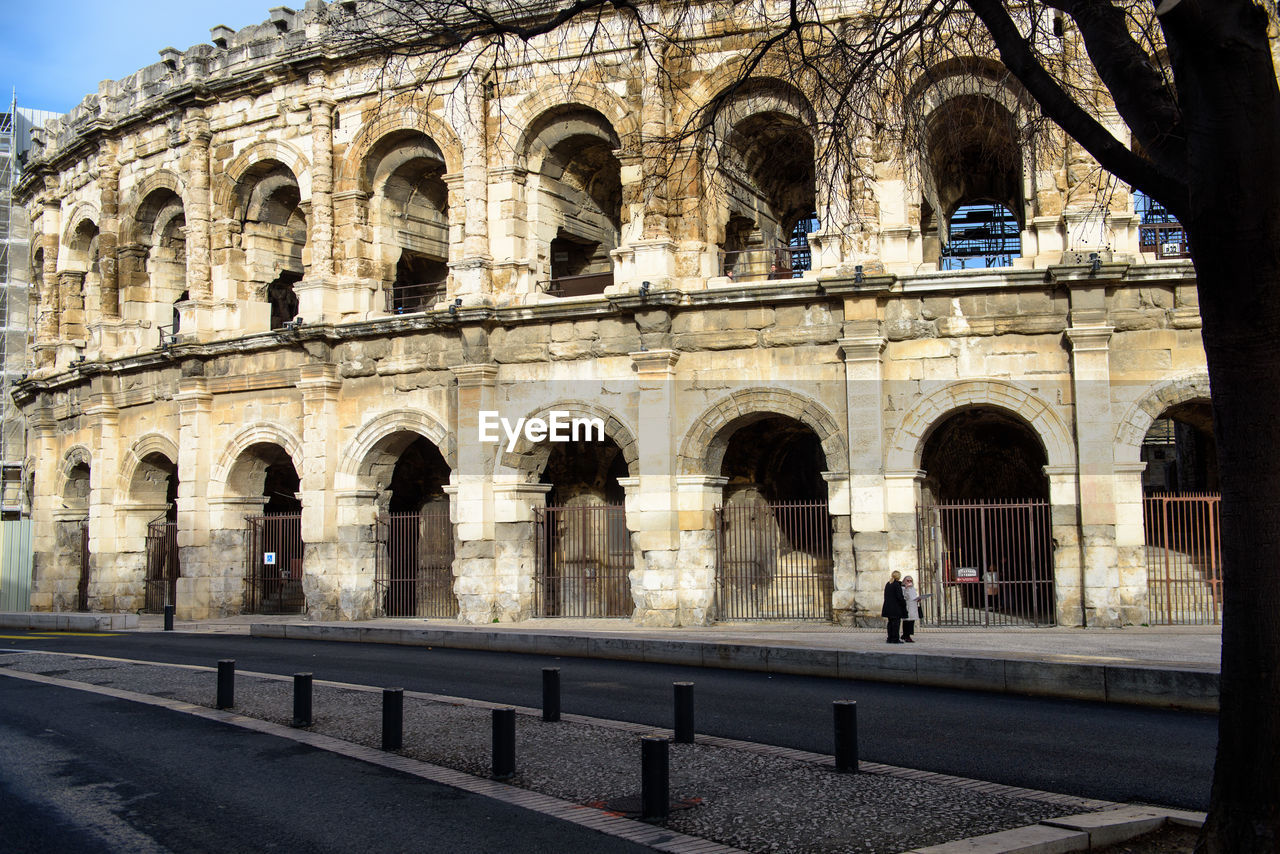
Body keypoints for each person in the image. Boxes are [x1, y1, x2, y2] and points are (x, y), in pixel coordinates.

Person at [881, 570, 907, 644]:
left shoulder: (888, 584)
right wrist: (903, 603)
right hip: (895, 608)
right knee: (896, 623)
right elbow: (899, 597)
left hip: (888, 607)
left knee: (890, 623)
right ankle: (895, 638)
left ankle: (890, 638)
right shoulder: (896, 585)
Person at [902, 575, 921, 643]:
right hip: (908, 606)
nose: (909, 582)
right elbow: (905, 597)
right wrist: (906, 588)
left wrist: (918, 599)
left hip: (913, 606)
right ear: (904, 581)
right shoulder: (903, 588)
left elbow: (914, 596)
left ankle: (907, 635)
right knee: (907, 621)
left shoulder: (913, 588)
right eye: (908, 581)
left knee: (911, 621)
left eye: (911, 581)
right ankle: (906, 635)